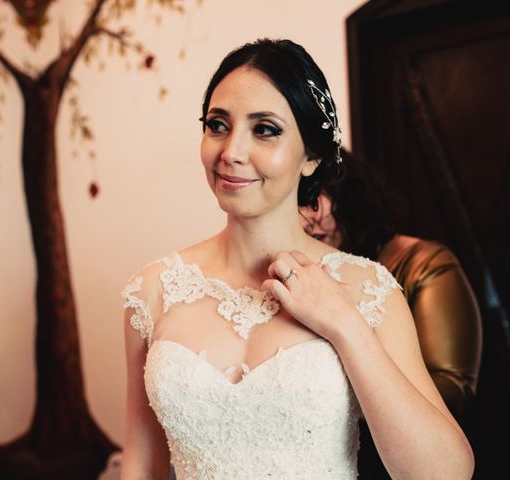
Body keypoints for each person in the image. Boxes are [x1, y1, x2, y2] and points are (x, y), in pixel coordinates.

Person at [121, 39, 474, 480]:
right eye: (217, 125)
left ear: (313, 157)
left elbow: (445, 473)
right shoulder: (152, 290)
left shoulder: (368, 288)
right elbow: (142, 464)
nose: (231, 151)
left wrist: (345, 324)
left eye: (265, 129)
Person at [298, 148, 482, 478]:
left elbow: (454, 387)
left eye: (321, 197)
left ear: (353, 195)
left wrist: (335, 394)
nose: (312, 216)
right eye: (301, 200)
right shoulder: (302, 275)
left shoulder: (423, 263)